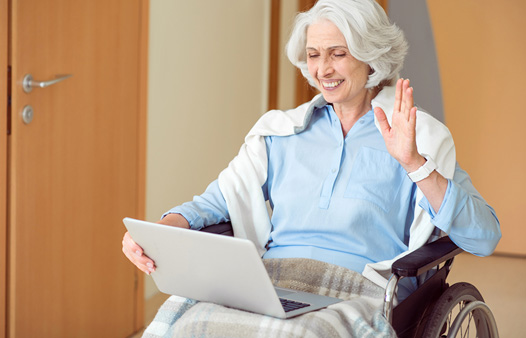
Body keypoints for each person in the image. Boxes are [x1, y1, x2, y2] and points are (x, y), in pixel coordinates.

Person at [122, 0, 500, 335]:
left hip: (361, 287)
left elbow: (484, 237)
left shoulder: (418, 136)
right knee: (185, 321)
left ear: (370, 56)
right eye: (314, 54)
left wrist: (414, 164)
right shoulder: (280, 132)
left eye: (337, 53)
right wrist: (158, 233)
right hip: (270, 281)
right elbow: (216, 201)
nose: (323, 69)